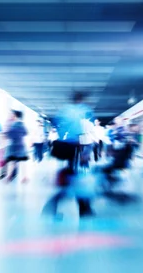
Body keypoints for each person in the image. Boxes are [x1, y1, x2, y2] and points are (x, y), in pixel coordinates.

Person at [42, 91, 95, 219]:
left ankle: (83, 207)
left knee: (72, 174)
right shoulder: (84, 110)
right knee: (78, 177)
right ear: (81, 99)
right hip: (77, 146)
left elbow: (55, 124)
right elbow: (85, 130)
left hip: (63, 147)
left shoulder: (63, 110)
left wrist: (63, 134)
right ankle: (82, 208)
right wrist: (85, 151)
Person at [0, 110, 28, 183]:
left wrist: (3, 134)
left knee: (12, 162)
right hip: (21, 145)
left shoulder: (14, 125)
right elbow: (25, 133)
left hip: (14, 145)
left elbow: (9, 135)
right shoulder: (22, 124)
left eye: (13, 114)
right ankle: (24, 177)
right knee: (22, 162)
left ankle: (8, 177)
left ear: (15, 116)